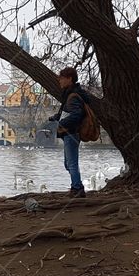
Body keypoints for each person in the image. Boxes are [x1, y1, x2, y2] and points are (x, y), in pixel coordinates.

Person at [48, 66, 91, 197]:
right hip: (69, 133)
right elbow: (69, 113)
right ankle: (77, 187)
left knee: (71, 164)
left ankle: (77, 188)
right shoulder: (70, 95)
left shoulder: (72, 96)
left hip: (71, 133)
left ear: (69, 79)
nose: (59, 81)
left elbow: (75, 115)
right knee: (68, 164)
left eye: (62, 78)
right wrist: (57, 117)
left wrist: (61, 123)